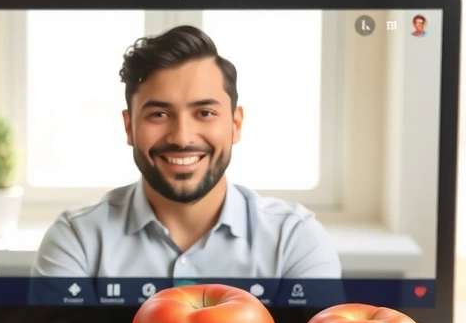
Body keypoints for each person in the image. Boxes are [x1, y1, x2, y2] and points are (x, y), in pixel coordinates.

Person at [31, 24, 342, 280]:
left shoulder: (295, 239)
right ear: (129, 127)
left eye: (205, 113)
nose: (181, 137)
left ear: (235, 124)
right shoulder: (76, 238)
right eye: (158, 114)